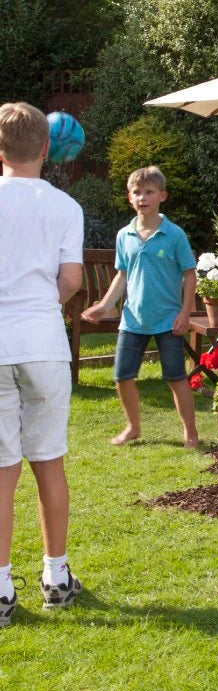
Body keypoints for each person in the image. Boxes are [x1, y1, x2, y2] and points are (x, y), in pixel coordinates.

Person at [0, 102, 85, 625]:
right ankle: (55, 575)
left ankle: (1, 588)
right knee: (48, 461)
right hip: (44, 344)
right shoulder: (65, 206)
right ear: (47, 147)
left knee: (1, 472)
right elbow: (72, 281)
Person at [82, 166, 199, 448]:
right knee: (122, 376)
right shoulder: (125, 235)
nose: (142, 197)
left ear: (162, 196)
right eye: (137, 192)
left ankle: (191, 433)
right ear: (129, 198)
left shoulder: (174, 234)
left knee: (175, 377)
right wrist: (104, 305)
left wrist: (185, 313)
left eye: (149, 192)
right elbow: (122, 275)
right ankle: (133, 427)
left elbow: (189, 274)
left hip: (168, 320)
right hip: (132, 320)